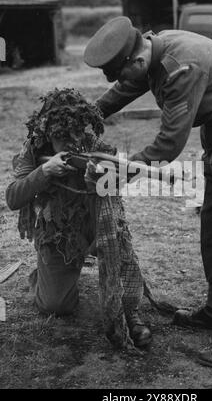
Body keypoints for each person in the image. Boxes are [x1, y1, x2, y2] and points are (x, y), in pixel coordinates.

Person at [83, 16, 212, 367]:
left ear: (137, 61)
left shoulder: (181, 67)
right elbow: (126, 88)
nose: (125, 82)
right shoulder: (152, 51)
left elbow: (167, 145)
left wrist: (119, 171)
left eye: (124, 72)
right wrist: (87, 113)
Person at [5, 88, 152, 350]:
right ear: (47, 133)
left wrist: (102, 180)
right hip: (60, 232)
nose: (72, 142)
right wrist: (44, 171)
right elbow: (13, 198)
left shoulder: (97, 146)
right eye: (61, 137)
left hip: (97, 225)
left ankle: (130, 311)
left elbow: (115, 195)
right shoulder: (34, 148)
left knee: (117, 235)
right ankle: (43, 275)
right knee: (55, 306)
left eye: (76, 134)